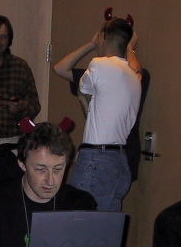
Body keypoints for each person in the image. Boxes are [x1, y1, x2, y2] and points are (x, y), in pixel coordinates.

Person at [0, 121, 96, 247]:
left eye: (58, 169)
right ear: (22, 164)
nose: (50, 180)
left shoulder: (81, 202)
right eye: (40, 169)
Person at [52, 12, 141, 211]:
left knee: (72, 216)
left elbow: (83, 92)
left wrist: (92, 45)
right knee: (104, 224)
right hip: (120, 160)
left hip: (97, 157)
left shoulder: (99, 65)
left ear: (102, 37)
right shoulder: (134, 77)